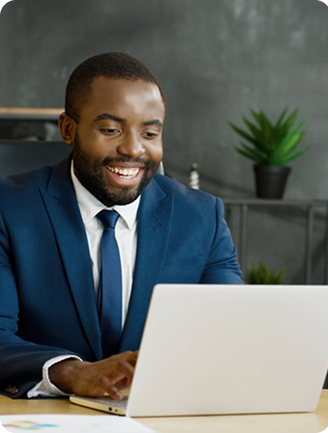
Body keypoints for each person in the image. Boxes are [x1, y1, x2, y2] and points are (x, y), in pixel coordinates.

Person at [0, 52, 242, 400]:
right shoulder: (9, 209)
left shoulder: (201, 217)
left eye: (149, 132)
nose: (132, 148)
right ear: (69, 129)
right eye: (111, 130)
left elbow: (232, 328)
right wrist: (71, 372)